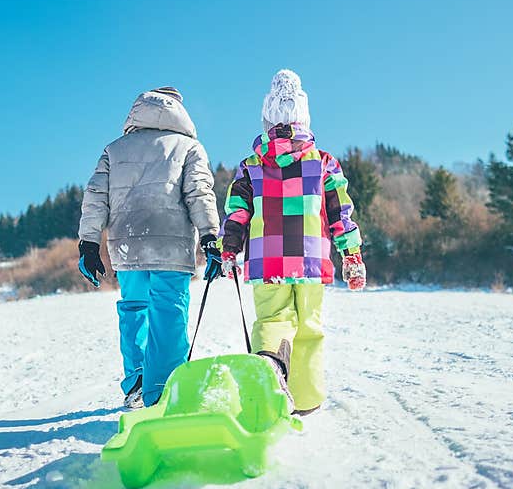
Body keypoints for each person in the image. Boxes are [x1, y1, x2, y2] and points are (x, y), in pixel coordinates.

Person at [220, 69, 366, 415]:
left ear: (267, 121)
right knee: (308, 327)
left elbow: (237, 212)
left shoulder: (250, 166)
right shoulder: (324, 163)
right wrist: (352, 253)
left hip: (266, 261)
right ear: (304, 119)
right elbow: (339, 213)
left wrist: (230, 249)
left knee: (272, 321)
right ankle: (305, 399)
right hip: (311, 262)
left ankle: (269, 370)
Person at [78, 87, 223, 409]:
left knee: (134, 308)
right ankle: (164, 390)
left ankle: (138, 382)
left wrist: (88, 243)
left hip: (127, 244)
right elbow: (200, 193)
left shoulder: (114, 150)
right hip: (170, 245)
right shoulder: (189, 147)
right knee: (169, 310)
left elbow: (95, 197)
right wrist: (210, 237)